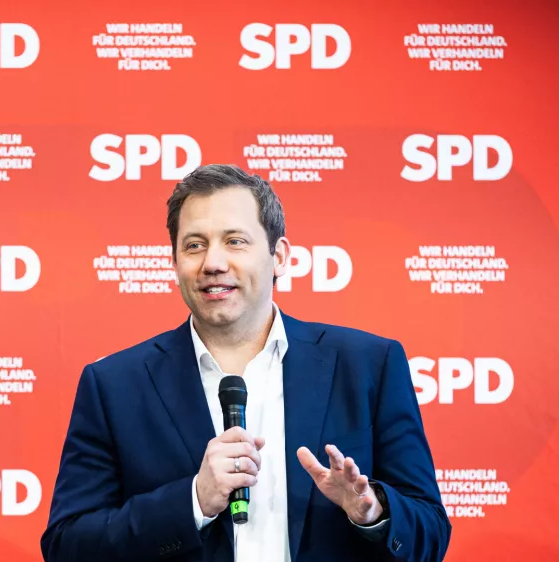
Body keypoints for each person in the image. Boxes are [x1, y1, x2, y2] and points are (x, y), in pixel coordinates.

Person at [41, 164, 450, 562]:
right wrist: (193, 501)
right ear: (175, 262)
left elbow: (430, 533)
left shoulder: (368, 366)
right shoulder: (114, 386)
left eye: (235, 241)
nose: (213, 263)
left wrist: (373, 512)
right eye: (194, 245)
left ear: (280, 256)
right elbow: (66, 545)